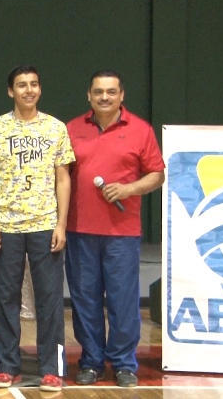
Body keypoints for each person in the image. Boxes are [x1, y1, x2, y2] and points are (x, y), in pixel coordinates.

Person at [65, 70, 165, 388]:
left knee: (123, 300)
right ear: (89, 96)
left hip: (122, 233)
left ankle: (123, 364)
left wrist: (128, 189)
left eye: (111, 92)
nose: (104, 97)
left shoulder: (141, 130)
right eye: (98, 92)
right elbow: (60, 176)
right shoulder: (71, 129)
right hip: (79, 230)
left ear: (122, 95)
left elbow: (157, 174)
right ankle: (92, 362)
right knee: (85, 300)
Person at [0, 65, 74, 392]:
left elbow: (64, 178)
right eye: (22, 85)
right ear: (11, 91)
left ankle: (52, 368)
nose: (29, 90)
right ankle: (8, 366)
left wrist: (61, 223)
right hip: (6, 225)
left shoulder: (55, 128)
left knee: (49, 300)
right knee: (6, 298)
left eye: (34, 84)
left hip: (45, 224)